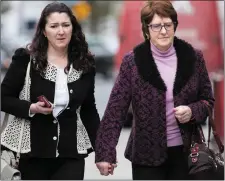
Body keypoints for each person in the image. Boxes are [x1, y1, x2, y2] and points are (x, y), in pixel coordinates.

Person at [95, 1, 215, 180]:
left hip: (188, 154)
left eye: (168, 25)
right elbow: (115, 110)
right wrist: (105, 153)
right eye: (156, 26)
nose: (163, 31)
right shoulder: (133, 61)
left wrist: (192, 111)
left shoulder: (193, 57)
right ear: (146, 28)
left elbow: (207, 101)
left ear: (175, 25)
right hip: (146, 157)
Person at [1, 2, 100, 180]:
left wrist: (103, 152)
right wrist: (32, 108)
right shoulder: (25, 60)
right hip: (31, 154)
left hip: (70, 154)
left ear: (73, 29)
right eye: (54, 26)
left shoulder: (85, 64)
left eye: (65, 25)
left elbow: (88, 109)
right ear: (44, 31)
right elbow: (4, 98)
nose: (60, 31)